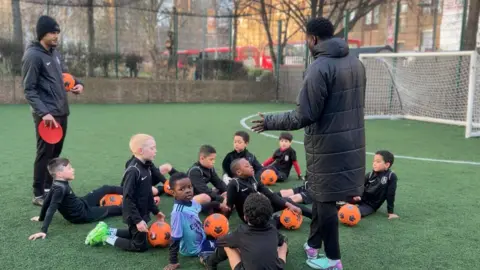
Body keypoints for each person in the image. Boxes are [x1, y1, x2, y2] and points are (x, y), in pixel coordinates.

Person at [251, 17, 367, 270]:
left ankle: (334, 260)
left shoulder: (318, 68)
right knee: (320, 197)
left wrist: (270, 121)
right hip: (353, 142)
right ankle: (313, 244)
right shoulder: (356, 63)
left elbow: (304, 115)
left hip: (328, 146)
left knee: (324, 203)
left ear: (312, 39)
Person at [22, 15, 84, 206]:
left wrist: (78, 84)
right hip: (46, 115)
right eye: (52, 32)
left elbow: (65, 75)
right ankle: (38, 193)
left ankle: (50, 188)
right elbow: (29, 89)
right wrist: (44, 113)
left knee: (56, 152)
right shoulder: (33, 55)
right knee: (44, 153)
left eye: (57, 32)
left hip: (61, 111)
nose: (56, 36)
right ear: (42, 34)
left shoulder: (55, 53)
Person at [84, 134, 166, 252]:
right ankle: (105, 237)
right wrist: (137, 220)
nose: (155, 151)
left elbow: (148, 192)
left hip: (141, 210)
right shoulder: (133, 171)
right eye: (152, 148)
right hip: (133, 212)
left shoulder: (146, 166)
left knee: (136, 233)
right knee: (139, 246)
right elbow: (127, 198)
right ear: (140, 151)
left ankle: (107, 230)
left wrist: (156, 211)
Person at [28, 158, 123, 241]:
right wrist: (43, 230)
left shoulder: (56, 182)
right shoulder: (60, 189)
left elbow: (47, 201)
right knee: (115, 209)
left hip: (81, 203)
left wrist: (41, 217)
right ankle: (135, 206)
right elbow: (51, 208)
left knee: (105, 188)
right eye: (69, 168)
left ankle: (132, 191)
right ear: (59, 174)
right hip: (82, 215)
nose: (73, 169)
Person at [203, 193, 288, 270]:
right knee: (284, 243)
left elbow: (221, 242)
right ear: (269, 215)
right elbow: (281, 241)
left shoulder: (241, 233)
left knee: (227, 245)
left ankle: (210, 263)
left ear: (245, 217)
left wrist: (217, 236)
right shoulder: (273, 230)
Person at [225, 158, 312, 223]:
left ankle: (315, 216)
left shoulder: (253, 178)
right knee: (271, 226)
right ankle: (277, 220)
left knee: (288, 201)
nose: (251, 167)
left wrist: (289, 205)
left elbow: (270, 194)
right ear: (239, 172)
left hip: (263, 207)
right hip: (251, 217)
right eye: (247, 166)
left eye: (250, 164)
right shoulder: (234, 184)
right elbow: (228, 207)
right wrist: (225, 222)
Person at [163, 172, 218, 270]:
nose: (188, 191)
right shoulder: (178, 213)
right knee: (222, 246)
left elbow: (201, 207)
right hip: (193, 249)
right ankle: (205, 258)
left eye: (189, 187)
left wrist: (217, 204)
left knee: (223, 237)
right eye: (182, 189)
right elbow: (175, 238)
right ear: (173, 193)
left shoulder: (191, 202)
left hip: (201, 238)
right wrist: (173, 262)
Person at [338, 150, 399, 219]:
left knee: (353, 213)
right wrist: (357, 195)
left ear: (387, 165)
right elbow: (359, 186)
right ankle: (342, 205)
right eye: (374, 161)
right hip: (361, 198)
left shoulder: (391, 176)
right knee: (339, 201)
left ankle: (347, 208)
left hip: (370, 205)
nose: (374, 163)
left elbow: (390, 194)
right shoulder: (370, 175)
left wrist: (390, 212)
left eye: (378, 162)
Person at [187, 145, 229, 213]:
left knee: (220, 189)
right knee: (206, 197)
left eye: (214, 159)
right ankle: (214, 206)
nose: (213, 162)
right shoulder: (195, 171)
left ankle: (216, 206)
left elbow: (218, 182)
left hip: (200, 193)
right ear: (202, 158)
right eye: (211, 159)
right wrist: (221, 199)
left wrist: (227, 193)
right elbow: (204, 190)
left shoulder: (210, 168)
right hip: (189, 198)